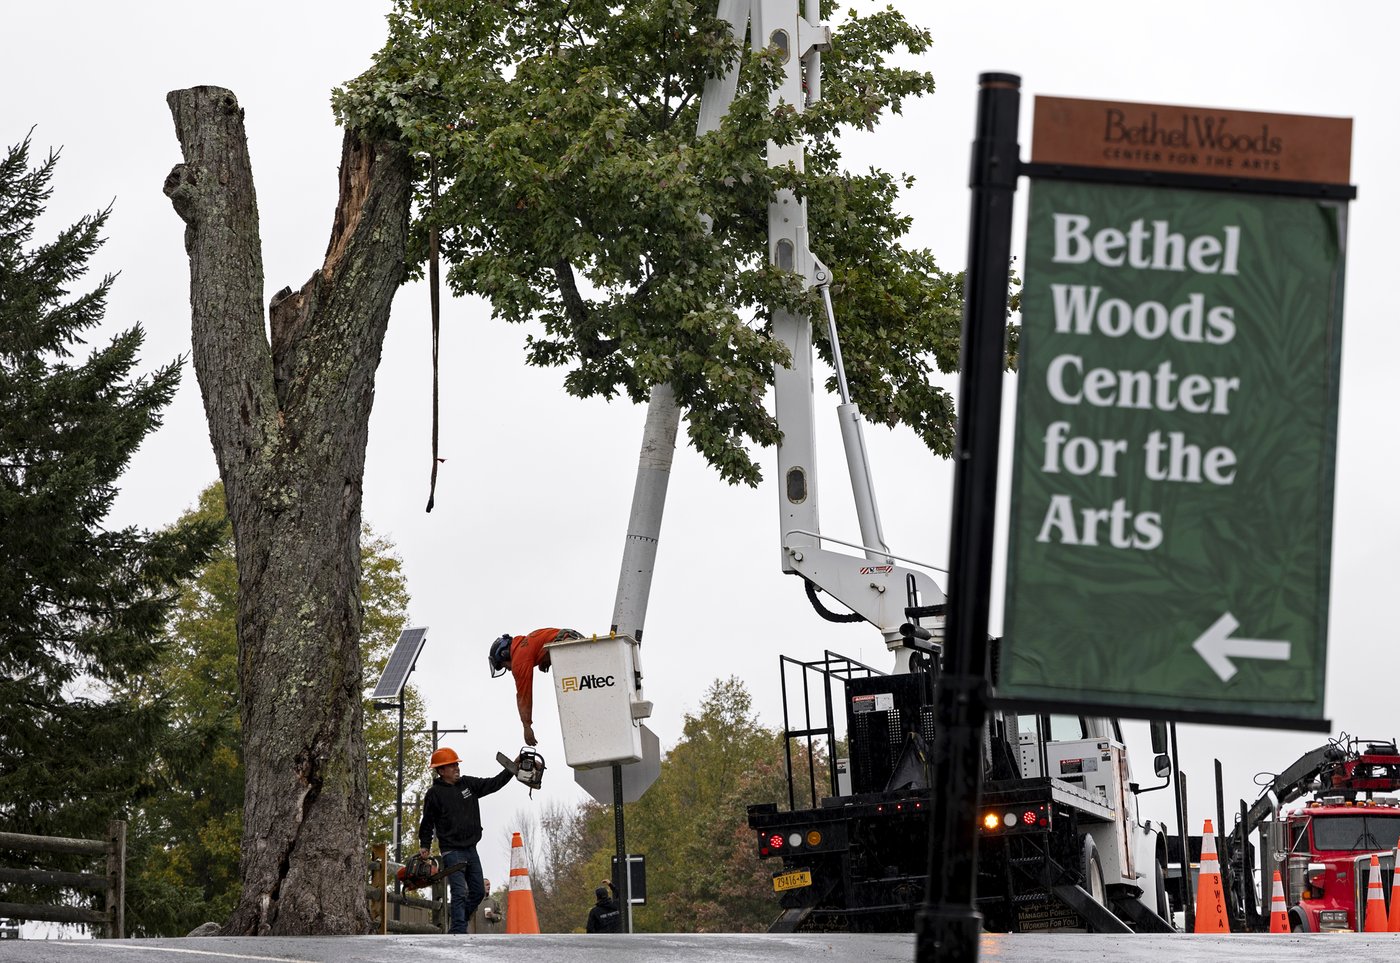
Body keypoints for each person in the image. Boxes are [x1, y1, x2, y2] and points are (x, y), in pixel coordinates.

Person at [417, 746, 516, 935]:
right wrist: (425, 845)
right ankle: (458, 931)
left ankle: (458, 921)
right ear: (441, 770)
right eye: (451, 765)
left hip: (471, 848)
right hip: (451, 851)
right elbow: (427, 822)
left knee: (478, 891)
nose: (456, 768)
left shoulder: (468, 784)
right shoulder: (434, 794)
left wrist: (512, 768)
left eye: (456, 764)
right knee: (459, 892)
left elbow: (493, 784)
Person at [488, 627, 582, 746]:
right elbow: (545, 642)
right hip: (571, 639)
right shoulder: (525, 643)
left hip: (567, 644)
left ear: (504, 654)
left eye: (503, 665)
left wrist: (526, 726)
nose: (508, 669)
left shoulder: (519, 660)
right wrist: (545, 659)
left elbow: (524, 696)